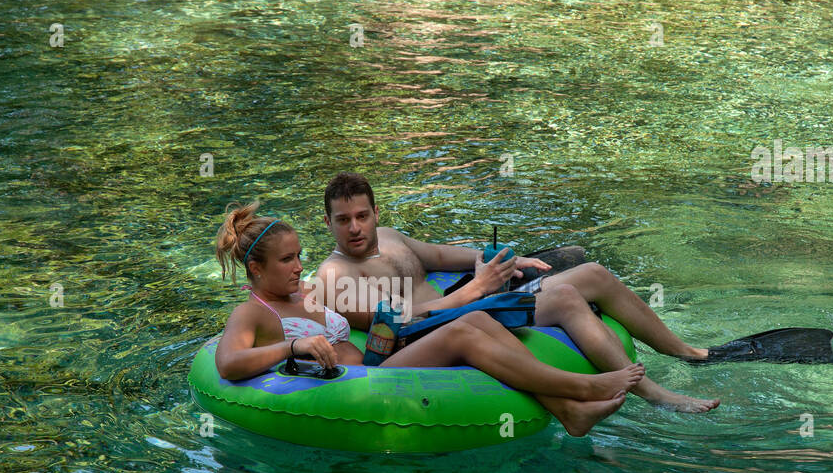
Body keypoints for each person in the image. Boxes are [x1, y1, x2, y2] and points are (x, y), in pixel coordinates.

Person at [212, 201, 646, 437]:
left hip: (378, 360)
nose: (297, 266)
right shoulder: (254, 311)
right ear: (256, 270)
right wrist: (294, 346)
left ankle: (569, 410)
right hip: (362, 383)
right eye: (288, 260)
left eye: (300, 255)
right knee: (462, 329)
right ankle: (581, 388)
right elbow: (228, 364)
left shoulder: (305, 292)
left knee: (476, 320)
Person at [314, 172, 721, 413]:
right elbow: (398, 321)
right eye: (343, 219)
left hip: (467, 296)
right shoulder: (334, 275)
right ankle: (653, 393)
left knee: (592, 273)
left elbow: (438, 254)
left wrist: (510, 261)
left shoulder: (388, 236)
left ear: (376, 213)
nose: (355, 228)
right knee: (562, 299)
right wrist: (477, 289)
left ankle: (688, 352)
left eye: (362, 216)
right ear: (329, 223)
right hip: (433, 324)